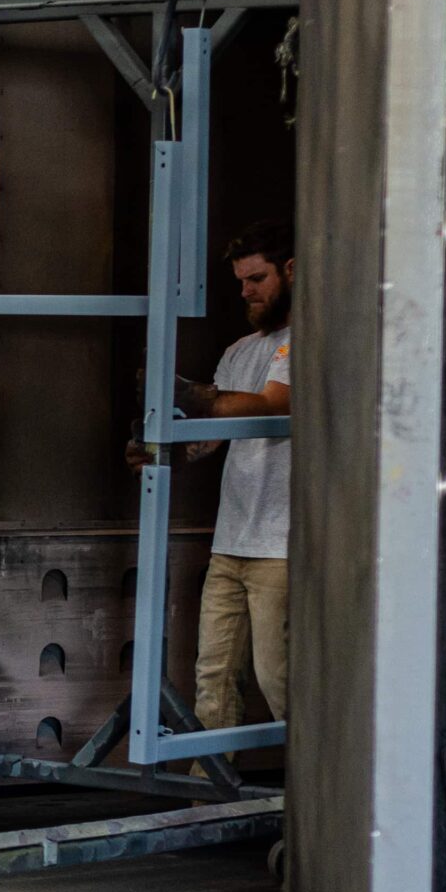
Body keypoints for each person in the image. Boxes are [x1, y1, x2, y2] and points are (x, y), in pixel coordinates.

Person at [132, 220, 294, 737]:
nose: (246, 291)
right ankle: (212, 800)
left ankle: (319, 808)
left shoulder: (309, 340)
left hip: (282, 548)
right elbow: (217, 435)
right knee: (214, 683)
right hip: (232, 543)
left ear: (290, 271)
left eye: (257, 278)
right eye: (241, 281)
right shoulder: (239, 351)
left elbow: (273, 405)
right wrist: (166, 454)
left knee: (283, 683)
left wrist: (189, 395)